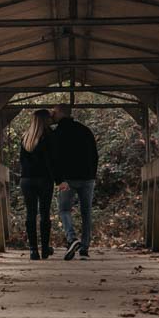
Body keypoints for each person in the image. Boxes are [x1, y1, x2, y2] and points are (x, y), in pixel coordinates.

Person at [49, 103, 99, 260]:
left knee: (64, 210)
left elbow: (54, 159)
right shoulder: (85, 130)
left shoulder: (57, 133)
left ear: (60, 113)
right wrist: (92, 174)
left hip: (67, 179)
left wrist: (59, 179)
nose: (52, 115)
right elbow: (95, 155)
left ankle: (72, 238)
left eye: (54, 112)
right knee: (86, 212)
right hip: (87, 178)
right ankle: (84, 248)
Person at [18, 109, 55, 260]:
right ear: (45, 120)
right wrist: (58, 179)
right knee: (45, 213)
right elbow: (52, 161)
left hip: (27, 180)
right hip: (44, 179)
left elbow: (22, 161)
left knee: (30, 213)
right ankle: (45, 248)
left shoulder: (25, 138)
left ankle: (33, 250)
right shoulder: (49, 136)